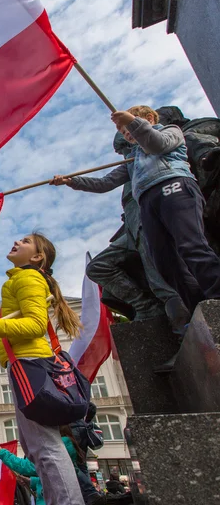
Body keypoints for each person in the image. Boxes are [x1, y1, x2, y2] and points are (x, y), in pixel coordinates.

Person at [0, 233, 106, 505]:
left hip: (32, 365)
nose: (17, 241)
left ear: (37, 258)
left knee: (47, 448)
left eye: (27, 241)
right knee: (38, 450)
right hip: (23, 367)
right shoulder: (23, 277)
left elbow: (33, 325)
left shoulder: (28, 277)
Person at [53, 106, 220, 370]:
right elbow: (104, 183)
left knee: (191, 246)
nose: (126, 134)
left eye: (127, 129)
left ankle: (217, 294)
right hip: (148, 203)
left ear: (150, 120)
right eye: (122, 131)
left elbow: (157, 143)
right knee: (165, 263)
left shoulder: (170, 131)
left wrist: (134, 123)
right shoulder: (132, 160)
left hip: (174, 186)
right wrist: (72, 181)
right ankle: (197, 306)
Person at [70, 403, 106, 505]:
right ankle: (87, 497)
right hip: (82, 427)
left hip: (72, 429)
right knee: (81, 464)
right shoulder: (79, 393)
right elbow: (91, 407)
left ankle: (90, 493)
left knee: (70, 464)